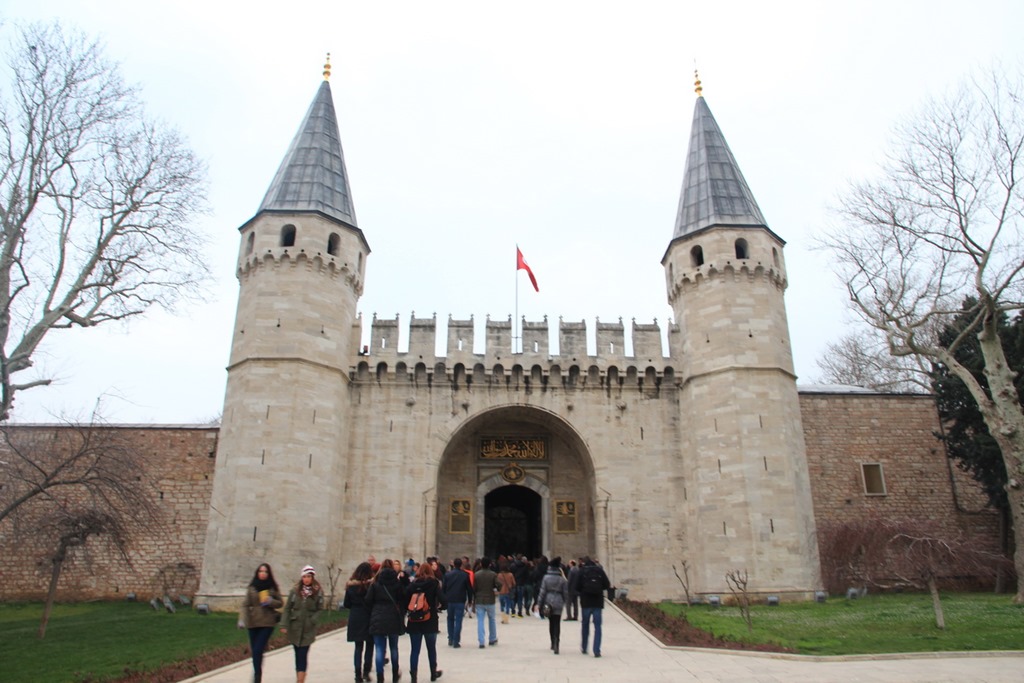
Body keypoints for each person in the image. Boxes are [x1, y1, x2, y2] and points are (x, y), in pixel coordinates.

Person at [239, 562, 283, 683]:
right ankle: (257, 672)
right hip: (253, 622)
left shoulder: (272, 587)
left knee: (258, 649)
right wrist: (242, 619)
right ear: (257, 573)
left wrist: (270, 601)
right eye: (261, 571)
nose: (263, 574)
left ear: (268, 574)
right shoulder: (252, 587)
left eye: (265, 572)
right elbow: (245, 604)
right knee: (255, 651)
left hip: (267, 622)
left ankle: (257, 677)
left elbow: (280, 603)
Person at [280, 565, 324, 683]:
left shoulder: (317, 592)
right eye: (304, 576)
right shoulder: (295, 591)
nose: (306, 579)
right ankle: (299, 675)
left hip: (308, 629)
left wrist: (312, 620)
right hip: (295, 627)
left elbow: (320, 609)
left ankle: (300, 680)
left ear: (312, 577)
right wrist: (284, 624)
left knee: (303, 654)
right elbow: (288, 608)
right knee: (297, 654)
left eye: (308, 576)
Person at [365, 560, 405, 683]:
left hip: (378, 616)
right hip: (393, 616)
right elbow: (402, 600)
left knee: (379, 649)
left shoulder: (375, 584)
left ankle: (380, 677)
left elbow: (368, 600)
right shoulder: (397, 584)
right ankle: (394, 674)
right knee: (394, 647)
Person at [404, 562, 444, 682]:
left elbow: (405, 601)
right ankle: (433, 673)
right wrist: (441, 607)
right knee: (431, 648)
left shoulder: (412, 585)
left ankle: (414, 675)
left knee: (415, 649)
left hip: (414, 620)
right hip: (430, 619)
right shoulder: (434, 583)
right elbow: (443, 599)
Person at [344, 562, 376, 682]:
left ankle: (357, 674)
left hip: (356, 617)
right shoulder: (371, 585)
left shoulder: (351, 586)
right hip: (369, 616)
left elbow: (347, 603)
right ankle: (366, 673)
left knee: (358, 647)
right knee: (369, 645)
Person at [573, 556, 611, 657]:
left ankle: (584, 647)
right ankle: (597, 650)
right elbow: (607, 585)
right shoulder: (599, 570)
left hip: (586, 602)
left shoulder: (582, 571)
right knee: (597, 626)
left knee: (585, 624)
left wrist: (583, 592)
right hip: (597, 602)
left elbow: (576, 587)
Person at [537, 556, 569, 654]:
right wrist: (565, 602)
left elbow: (542, 592)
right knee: (557, 623)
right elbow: (565, 593)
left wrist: (539, 603)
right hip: (558, 601)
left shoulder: (546, 578)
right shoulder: (562, 579)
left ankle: (552, 642)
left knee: (551, 623)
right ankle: (557, 643)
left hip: (548, 602)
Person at [442, 558, 471, 648]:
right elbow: (469, 589)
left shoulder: (447, 575)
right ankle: (456, 640)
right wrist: (470, 600)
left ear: (454, 564)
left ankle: (450, 638)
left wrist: (443, 599)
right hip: (460, 600)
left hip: (450, 600)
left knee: (450, 619)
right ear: (461, 565)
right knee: (458, 620)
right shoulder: (465, 575)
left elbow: (444, 588)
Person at [473, 556, 499, 648]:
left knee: (480, 620)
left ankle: (481, 641)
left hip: (479, 599)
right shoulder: (493, 574)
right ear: (490, 564)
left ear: (481, 564)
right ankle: (492, 638)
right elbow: (499, 584)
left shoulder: (476, 574)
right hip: (490, 599)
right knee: (492, 619)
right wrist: (496, 589)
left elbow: (474, 587)